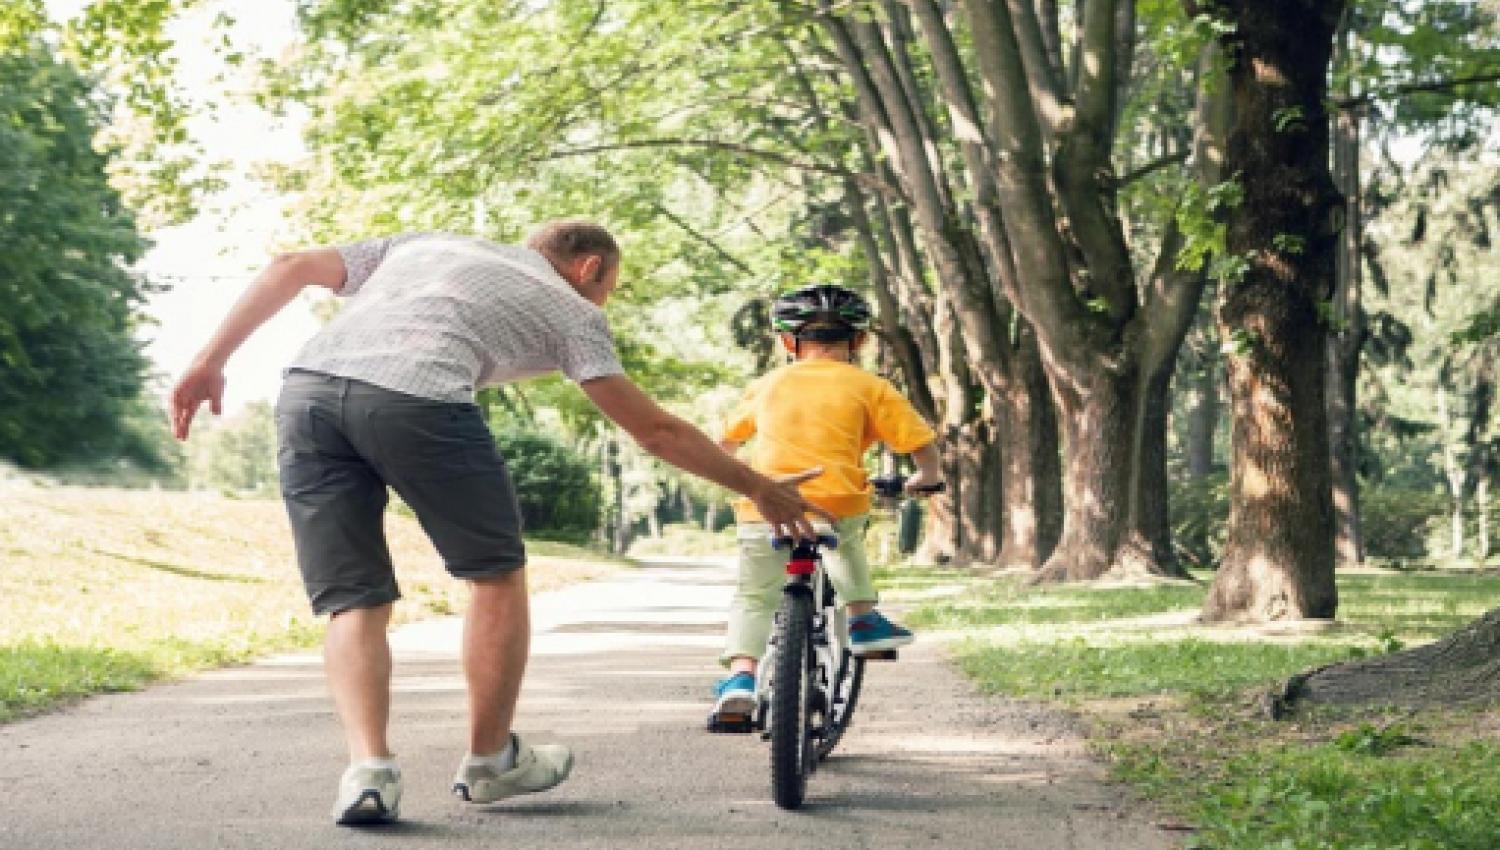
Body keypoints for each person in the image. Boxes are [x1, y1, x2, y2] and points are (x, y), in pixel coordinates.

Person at [168, 222, 833, 825]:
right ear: (589, 268)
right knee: (496, 575)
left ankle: (368, 770)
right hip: (419, 398)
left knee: (353, 598)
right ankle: (489, 761)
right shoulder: (573, 310)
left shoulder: (424, 245)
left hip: (307, 395)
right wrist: (758, 487)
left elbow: (289, 263)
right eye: (611, 289)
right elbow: (655, 431)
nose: (605, 304)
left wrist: (209, 359)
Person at [708, 283, 943, 726]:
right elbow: (919, 442)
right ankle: (862, 618)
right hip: (836, 503)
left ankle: (741, 679)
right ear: (859, 340)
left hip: (767, 507)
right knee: (846, 542)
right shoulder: (871, 386)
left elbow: (725, 444)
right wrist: (927, 477)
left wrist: (737, 481)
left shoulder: (767, 385)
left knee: (755, 595)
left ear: (786, 341)